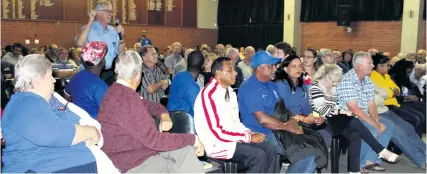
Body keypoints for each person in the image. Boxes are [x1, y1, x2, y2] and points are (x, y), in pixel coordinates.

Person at [97, 51, 204, 173]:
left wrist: (163, 115)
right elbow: (154, 140)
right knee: (184, 160)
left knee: (187, 151)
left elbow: (150, 105)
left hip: (139, 151)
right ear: (138, 74)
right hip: (133, 163)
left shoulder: (117, 91)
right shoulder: (126, 99)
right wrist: (192, 139)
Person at [2, 54, 100, 173]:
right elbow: (56, 134)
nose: (54, 80)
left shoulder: (49, 100)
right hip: (43, 168)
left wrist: (88, 131)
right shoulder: (24, 101)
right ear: (36, 80)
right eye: (50, 76)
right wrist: (90, 131)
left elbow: (75, 120)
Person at [238, 51, 323, 173]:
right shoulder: (250, 87)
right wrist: (287, 127)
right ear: (261, 68)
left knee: (313, 148)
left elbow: (283, 108)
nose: (275, 69)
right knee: (306, 153)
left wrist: (294, 120)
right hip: (262, 133)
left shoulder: (271, 85)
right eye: (271, 66)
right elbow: (262, 119)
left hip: (278, 130)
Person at [194, 57, 280, 173]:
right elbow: (217, 132)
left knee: (270, 149)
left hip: (232, 140)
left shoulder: (229, 91)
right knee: (258, 156)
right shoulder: (209, 95)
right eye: (230, 70)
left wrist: (250, 133)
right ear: (218, 73)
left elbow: (235, 122)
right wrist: (248, 137)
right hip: (217, 145)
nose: (234, 73)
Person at [310, 64, 400, 173]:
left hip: (335, 121)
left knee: (355, 133)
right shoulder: (315, 88)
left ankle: (354, 171)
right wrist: (342, 111)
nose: (335, 84)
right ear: (325, 76)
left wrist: (343, 111)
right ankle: (380, 150)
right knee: (351, 119)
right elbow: (322, 110)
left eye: (337, 82)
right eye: (333, 81)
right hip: (322, 122)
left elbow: (334, 106)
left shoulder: (332, 87)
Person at [337, 51, 399, 171]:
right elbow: (354, 109)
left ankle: (370, 160)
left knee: (388, 125)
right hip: (348, 119)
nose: (372, 65)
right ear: (359, 65)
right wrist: (375, 124)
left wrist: (377, 120)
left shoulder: (366, 79)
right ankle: (359, 165)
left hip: (363, 116)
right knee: (372, 129)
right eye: (369, 63)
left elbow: (371, 103)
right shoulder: (347, 80)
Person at [274, 55, 331, 146]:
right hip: (289, 123)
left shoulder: (302, 85)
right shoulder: (280, 85)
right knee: (315, 140)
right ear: (285, 69)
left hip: (304, 120)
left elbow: (309, 107)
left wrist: (318, 117)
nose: (298, 69)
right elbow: (281, 111)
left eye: (300, 66)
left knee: (326, 132)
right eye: (294, 66)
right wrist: (302, 119)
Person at [373, 81, 426, 169]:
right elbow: (376, 99)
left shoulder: (367, 80)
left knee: (408, 127)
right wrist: (383, 95)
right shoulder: (355, 80)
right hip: (373, 113)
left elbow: (386, 94)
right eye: (386, 65)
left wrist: (382, 95)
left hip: (384, 110)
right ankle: (422, 160)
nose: (371, 66)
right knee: (398, 133)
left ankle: (425, 150)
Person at [76, 0, 126, 86]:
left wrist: (121, 37)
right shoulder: (88, 29)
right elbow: (80, 43)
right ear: (97, 13)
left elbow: (120, 53)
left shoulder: (113, 30)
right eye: (107, 11)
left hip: (110, 73)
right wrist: (90, 21)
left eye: (111, 11)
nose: (111, 14)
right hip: (93, 73)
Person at [65, 41, 109, 119]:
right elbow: (108, 116)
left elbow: (65, 96)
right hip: (93, 126)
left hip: (77, 122)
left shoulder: (76, 77)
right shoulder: (100, 86)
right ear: (102, 61)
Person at [388, 59, 426, 135]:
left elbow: (411, 87)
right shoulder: (392, 79)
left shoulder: (405, 78)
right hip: (397, 103)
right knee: (418, 114)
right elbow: (393, 96)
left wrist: (415, 96)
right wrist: (406, 97)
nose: (408, 75)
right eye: (408, 72)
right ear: (402, 70)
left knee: (422, 106)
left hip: (406, 101)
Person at [167, 51, 204, 116]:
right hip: (184, 122)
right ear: (202, 66)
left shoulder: (178, 76)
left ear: (187, 61)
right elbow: (199, 111)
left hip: (171, 117)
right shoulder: (193, 87)